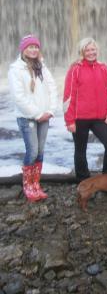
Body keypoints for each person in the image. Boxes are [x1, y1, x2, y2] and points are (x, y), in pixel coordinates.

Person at [8, 35, 58, 202]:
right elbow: (19, 98)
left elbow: (52, 87)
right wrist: (37, 114)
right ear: (23, 49)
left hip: (44, 116)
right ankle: (28, 185)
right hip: (27, 117)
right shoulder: (16, 70)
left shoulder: (41, 67)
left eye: (36, 47)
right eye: (30, 47)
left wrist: (51, 110)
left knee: (41, 151)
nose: (34, 50)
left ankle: (36, 183)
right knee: (33, 151)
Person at [63, 38, 107, 182]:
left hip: (99, 118)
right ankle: (84, 181)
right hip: (79, 118)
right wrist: (69, 120)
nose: (91, 53)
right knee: (80, 150)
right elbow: (68, 96)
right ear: (82, 52)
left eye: (93, 49)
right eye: (87, 50)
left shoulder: (103, 68)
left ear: (97, 51)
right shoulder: (75, 69)